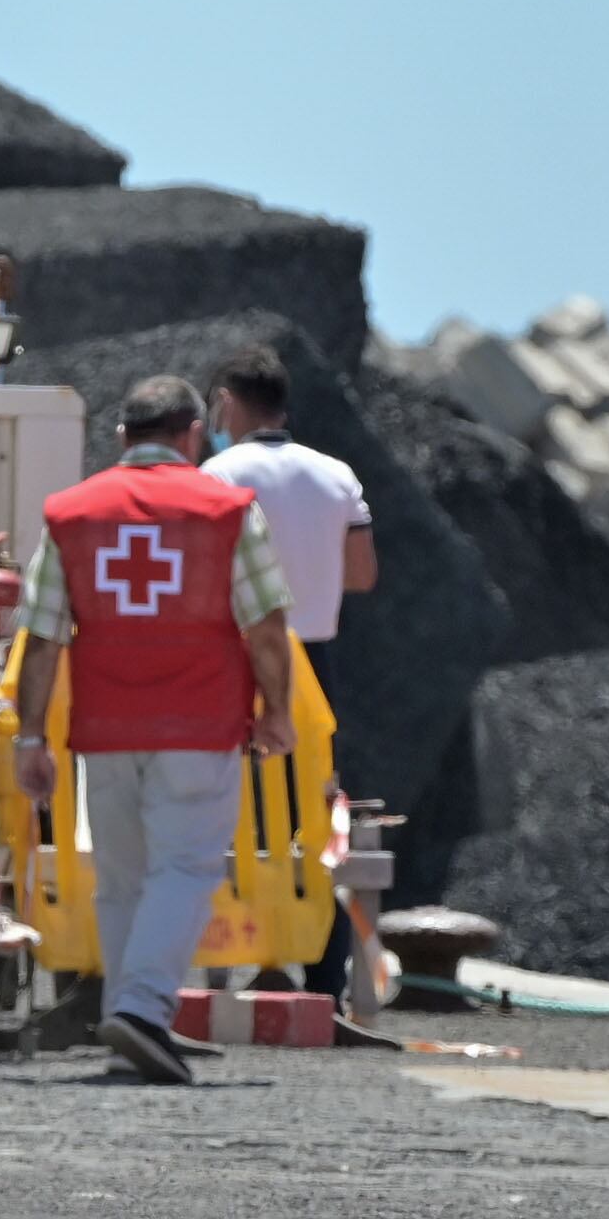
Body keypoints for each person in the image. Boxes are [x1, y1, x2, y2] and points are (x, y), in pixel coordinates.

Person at [12, 375, 298, 1085]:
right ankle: (141, 1011)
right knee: (187, 868)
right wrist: (278, 711)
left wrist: (29, 737)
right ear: (194, 434)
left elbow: (41, 638)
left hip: (104, 728)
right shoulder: (228, 510)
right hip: (197, 723)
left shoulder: (71, 515)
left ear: (121, 438)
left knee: (121, 882)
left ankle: (128, 1020)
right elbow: (265, 628)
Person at [203, 342, 375, 1000]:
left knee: (241, 815)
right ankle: (323, 976)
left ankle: (250, 959)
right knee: (317, 818)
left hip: (242, 656)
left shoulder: (218, 474)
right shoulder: (337, 475)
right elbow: (362, 573)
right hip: (316, 662)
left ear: (229, 403)